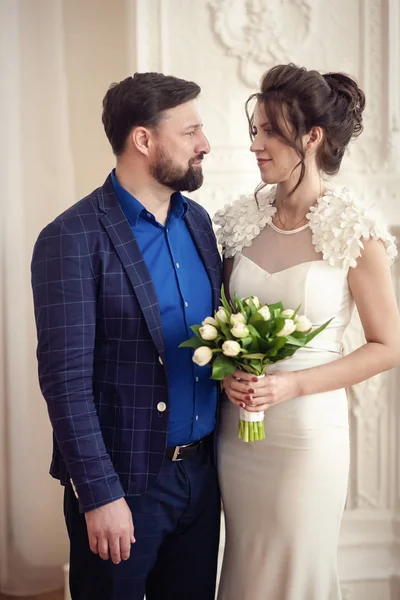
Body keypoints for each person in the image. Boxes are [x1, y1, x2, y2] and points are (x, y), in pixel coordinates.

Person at [31, 72, 222, 600]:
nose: (205, 144)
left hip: (203, 477)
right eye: (191, 131)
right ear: (144, 139)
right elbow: (64, 381)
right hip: (123, 485)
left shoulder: (199, 223)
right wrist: (98, 495)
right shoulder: (70, 237)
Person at [213, 64, 400, 600]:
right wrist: (229, 376)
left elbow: (388, 347)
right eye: (256, 131)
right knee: (245, 565)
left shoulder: (353, 232)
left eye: (271, 131)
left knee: (298, 570)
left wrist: (291, 385)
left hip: (306, 436)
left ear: (312, 137)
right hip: (239, 434)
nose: (256, 145)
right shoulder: (235, 224)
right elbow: (220, 325)